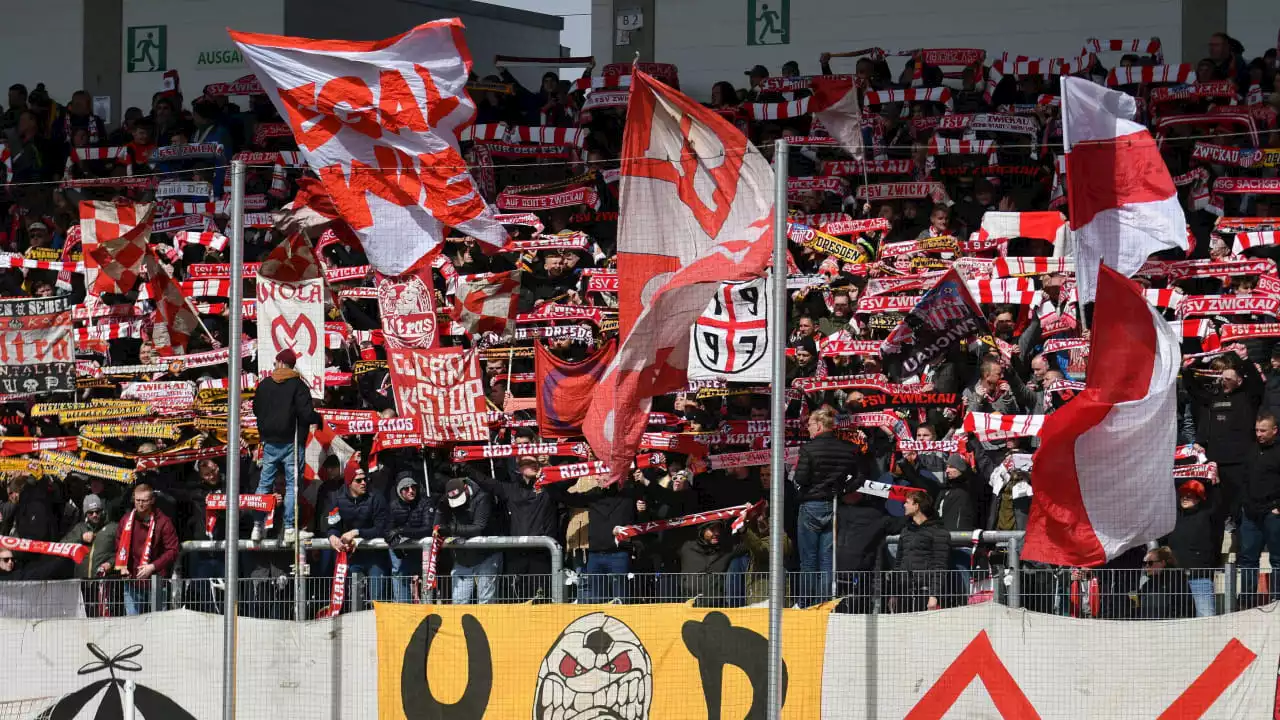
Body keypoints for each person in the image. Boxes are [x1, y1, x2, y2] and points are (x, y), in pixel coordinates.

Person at [792, 407, 863, 605]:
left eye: (810, 425)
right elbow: (860, 477)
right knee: (827, 561)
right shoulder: (847, 448)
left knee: (808, 560)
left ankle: (807, 603)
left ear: (820, 425)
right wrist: (843, 490)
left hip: (811, 504)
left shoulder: (809, 448)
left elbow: (801, 478)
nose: (808, 429)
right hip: (834, 504)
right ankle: (825, 604)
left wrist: (804, 490)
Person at [252, 348, 321, 542]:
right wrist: (318, 417)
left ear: (280, 363)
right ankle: (290, 528)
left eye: (275, 363)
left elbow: (256, 409)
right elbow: (307, 414)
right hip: (291, 442)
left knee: (264, 484)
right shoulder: (298, 386)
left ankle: (257, 525)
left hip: (270, 442)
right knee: (292, 486)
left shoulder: (265, 384)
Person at [112, 484, 180, 616]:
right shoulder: (126, 520)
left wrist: (153, 567)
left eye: (144, 500)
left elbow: (173, 550)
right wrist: (122, 566)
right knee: (133, 625)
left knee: (158, 625)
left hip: (156, 582)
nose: (140, 504)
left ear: (152, 500)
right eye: (137, 500)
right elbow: (118, 546)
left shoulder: (164, 522)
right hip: (132, 582)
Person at [326, 468, 390, 608]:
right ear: (349, 483)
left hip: (375, 556)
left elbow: (382, 529)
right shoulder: (338, 499)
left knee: (377, 601)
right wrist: (332, 536)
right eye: (358, 480)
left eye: (365, 479)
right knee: (353, 601)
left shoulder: (376, 497)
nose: (364, 483)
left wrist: (356, 532)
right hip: (352, 557)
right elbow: (332, 524)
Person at [1239, 412, 1280, 607]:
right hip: (1250, 513)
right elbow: (1243, 479)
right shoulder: (1251, 449)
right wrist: (1243, 505)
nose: (1259, 434)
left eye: (1263, 430)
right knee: (1247, 559)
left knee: (1278, 559)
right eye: (1256, 430)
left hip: (1273, 512)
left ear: (1274, 431)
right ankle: (1246, 602)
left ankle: (1277, 601)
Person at [440, 477, 500, 604]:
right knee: (459, 601)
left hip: (486, 555)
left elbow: (479, 527)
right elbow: (437, 524)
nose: (458, 504)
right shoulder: (445, 500)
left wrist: (452, 529)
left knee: (486, 600)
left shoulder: (483, 497)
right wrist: (441, 529)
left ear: (466, 489)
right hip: (462, 558)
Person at [1165, 480, 1218, 617]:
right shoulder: (1173, 517)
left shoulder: (1207, 516)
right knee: (1178, 617)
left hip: (1199, 575)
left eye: (1190, 495)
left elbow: (1218, 504)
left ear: (1199, 498)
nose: (1185, 498)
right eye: (1183, 495)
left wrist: (1216, 484)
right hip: (1175, 577)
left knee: (1205, 616)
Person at [892, 490, 950, 612]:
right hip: (904, 591)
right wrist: (894, 593)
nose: (904, 505)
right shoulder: (906, 531)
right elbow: (898, 564)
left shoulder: (938, 532)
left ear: (917, 506)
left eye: (907, 502)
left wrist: (934, 596)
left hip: (925, 592)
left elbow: (940, 566)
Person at [387, 472, 436, 603]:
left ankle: (427, 607)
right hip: (403, 551)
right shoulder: (393, 505)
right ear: (399, 491)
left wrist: (402, 530)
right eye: (406, 488)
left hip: (423, 550)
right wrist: (395, 545)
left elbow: (428, 529)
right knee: (399, 572)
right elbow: (387, 530)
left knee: (425, 577)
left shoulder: (425, 502)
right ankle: (403, 608)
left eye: (413, 487)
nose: (411, 491)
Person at [60, 494, 118, 580]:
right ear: (86, 514)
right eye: (91, 513)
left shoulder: (113, 528)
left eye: (97, 511)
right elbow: (61, 545)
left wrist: (111, 563)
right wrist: (81, 538)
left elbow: (123, 552)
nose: (95, 515)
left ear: (102, 511)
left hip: (104, 582)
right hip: (81, 582)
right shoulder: (79, 528)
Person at [678, 521, 734, 602]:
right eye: (712, 529)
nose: (717, 533)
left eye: (719, 529)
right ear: (702, 530)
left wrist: (744, 530)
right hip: (689, 606)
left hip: (715, 607)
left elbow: (745, 545)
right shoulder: (686, 547)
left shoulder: (726, 550)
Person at [1134, 547, 1194, 620]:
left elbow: (1183, 605)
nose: (1146, 566)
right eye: (1144, 563)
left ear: (1162, 563)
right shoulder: (1149, 582)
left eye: (1150, 563)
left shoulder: (1176, 579)